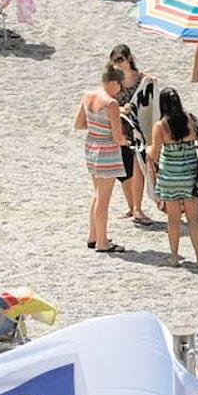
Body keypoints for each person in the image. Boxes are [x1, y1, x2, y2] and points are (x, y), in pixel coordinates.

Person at [148, 88, 198, 268]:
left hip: (170, 178)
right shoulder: (192, 120)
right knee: (194, 219)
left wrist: (147, 149)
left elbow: (155, 153)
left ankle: (174, 257)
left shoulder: (161, 126)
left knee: (173, 220)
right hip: (190, 176)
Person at [75, 65, 129, 254]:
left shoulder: (88, 95)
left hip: (91, 146)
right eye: (119, 85)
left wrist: (98, 127)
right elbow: (117, 137)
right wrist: (126, 141)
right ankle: (103, 242)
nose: (120, 89)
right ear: (114, 83)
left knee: (97, 194)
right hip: (107, 151)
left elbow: (79, 124)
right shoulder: (111, 103)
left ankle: (93, 235)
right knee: (104, 199)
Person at [110, 45, 156, 226]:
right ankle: (132, 207)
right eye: (115, 61)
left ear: (129, 58)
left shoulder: (142, 79)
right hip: (120, 128)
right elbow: (106, 101)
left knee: (138, 169)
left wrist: (151, 82)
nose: (118, 64)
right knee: (124, 172)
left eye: (121, 60)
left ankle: (137, 208)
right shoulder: (114, 80)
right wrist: (121, 109)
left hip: (139, 129)